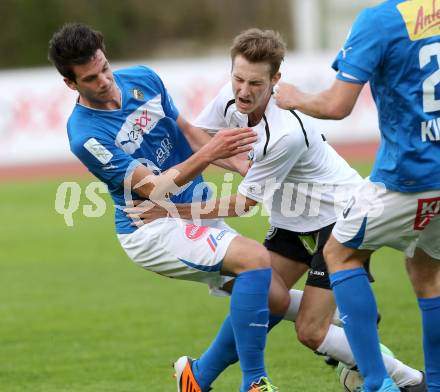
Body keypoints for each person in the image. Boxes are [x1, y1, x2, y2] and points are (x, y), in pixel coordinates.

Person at [128, 28, 425, 392]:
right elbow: (201, 139)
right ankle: (198, 376)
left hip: (340, 218)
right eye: (237, 79)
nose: (243, 91)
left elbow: (244, 203)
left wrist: (172, 211)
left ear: (276, 80)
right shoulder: (231, 97)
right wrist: (235, 163)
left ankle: (407, 381)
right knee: (261, 295)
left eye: (255, 83)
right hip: (292, 219)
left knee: (311, 331)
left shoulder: (284, 133)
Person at [48, 22, 291, 392]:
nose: (105, 81)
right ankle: (255, 383)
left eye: (105, 68)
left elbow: (190, 134)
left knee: (276, 298)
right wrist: (213, 150)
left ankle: (199, 376)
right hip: (149, 227)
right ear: (71, 84)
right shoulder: (86, 136)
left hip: (192, 210)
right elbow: (153, 188)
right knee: (255, 259)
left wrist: (247, 169)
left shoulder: (143, 79)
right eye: (91, 78)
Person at [274, 1, 440, 391]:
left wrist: (295, 97)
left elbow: (337, 105)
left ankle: (377, 382)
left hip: (406, 176)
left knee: (339, 253)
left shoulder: (380, 19)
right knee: (427, 272)